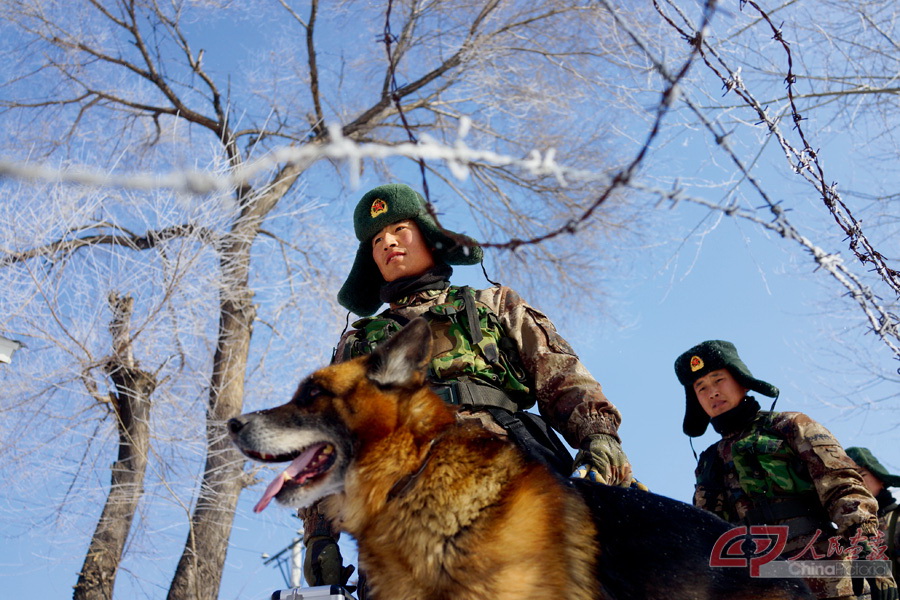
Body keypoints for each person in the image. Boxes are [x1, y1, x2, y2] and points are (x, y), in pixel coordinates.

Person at [301, 183, 633, 587]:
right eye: (375, 240)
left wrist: (599, 438)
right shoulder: (356, 346)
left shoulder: (493, 305)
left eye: (399, 229)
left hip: (508, 471)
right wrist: (319, 535)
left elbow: (561, 374)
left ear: (429, 235)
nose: (387, 242)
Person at [674, 340, 897, 600]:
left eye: (718, 380)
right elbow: (708, 534)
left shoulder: (790, 426)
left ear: (742, 380)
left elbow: (842, 486)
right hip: (760, 584)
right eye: (701, 388)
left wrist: (869, 554)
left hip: (827, 574)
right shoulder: (709, 461)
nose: (712, 392)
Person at [846, 447, 900, 584]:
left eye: (861, 475)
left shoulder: (896, 519)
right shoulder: (846, 531)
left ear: (880, 477)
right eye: (850, 479)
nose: (857, 483)